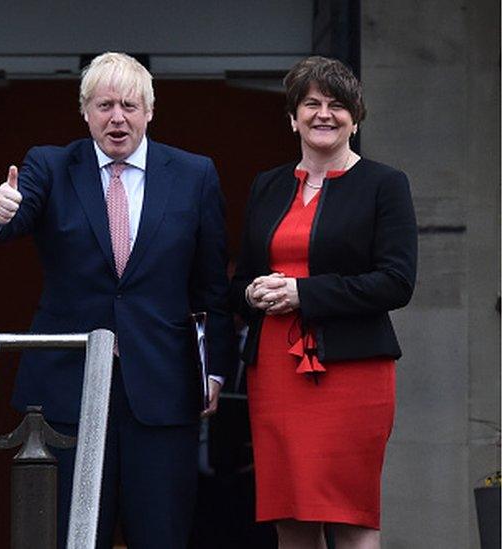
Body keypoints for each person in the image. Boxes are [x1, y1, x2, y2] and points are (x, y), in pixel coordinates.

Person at [0, 52, 235, 549]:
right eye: (105, 105)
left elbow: (210, 287)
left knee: (161, 534)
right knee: (72, 535)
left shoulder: (194, 174)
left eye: (130, 105)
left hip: (162, 388)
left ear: (150, 111)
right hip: (67, 388)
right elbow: (8, 218)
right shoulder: (49, 165)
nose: (118, 118)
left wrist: (213, 370)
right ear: (85, 112)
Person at [230, 56, 417, 549]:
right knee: (290, 517)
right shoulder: (267, 186)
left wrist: (302, 293)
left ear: (355, 118)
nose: (323, 114)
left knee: (351, 515)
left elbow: (397, 282)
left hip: (353, 371)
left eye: (337, 105)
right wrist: (250, 293)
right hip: (275, 370)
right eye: (310, 104)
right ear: (292, 117)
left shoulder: (385, 184)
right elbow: (240, 277)